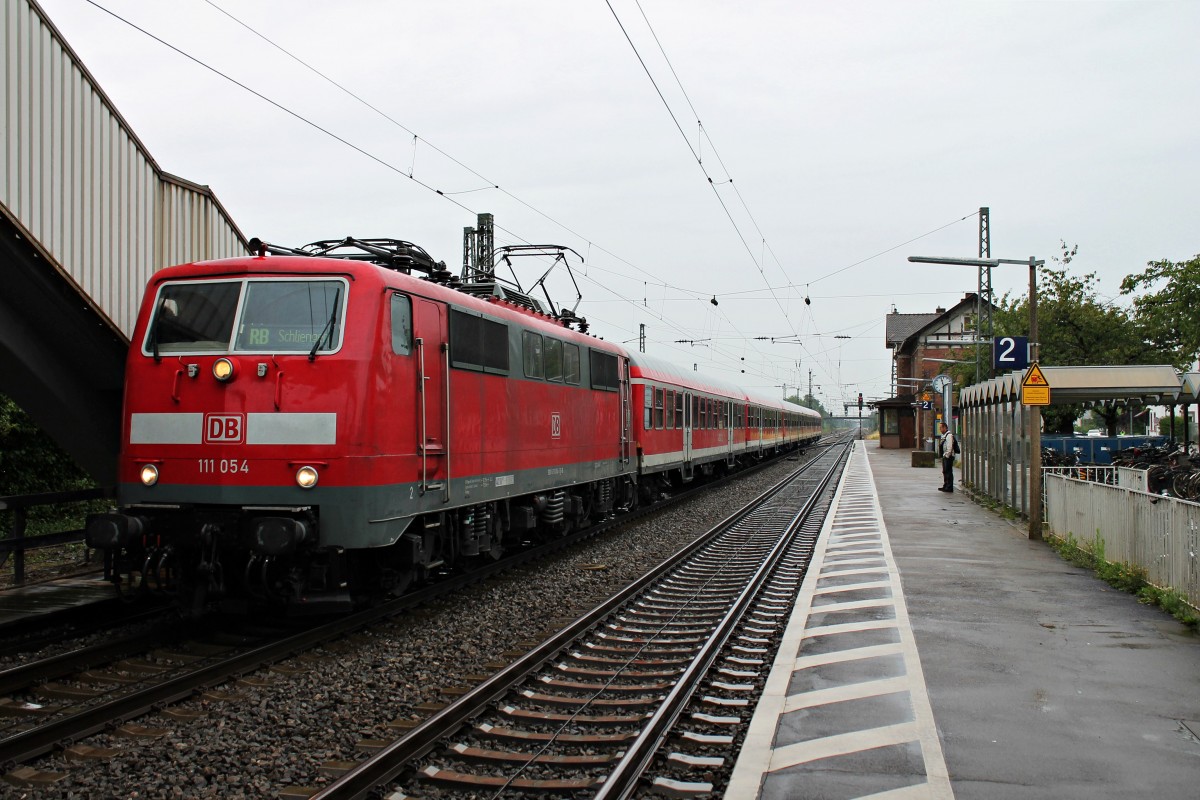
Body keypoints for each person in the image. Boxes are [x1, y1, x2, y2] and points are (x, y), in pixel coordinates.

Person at [938, 422, 957, 492]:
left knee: (948, 472)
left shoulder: (949, 436)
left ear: (945, 427)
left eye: (941, 428)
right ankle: (946, 485)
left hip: (948, 457)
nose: (940, 429)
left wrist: (947, 455)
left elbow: (949, 447)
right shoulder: (944, 436)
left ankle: (949, 487)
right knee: (945, 471)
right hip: (945, 456)